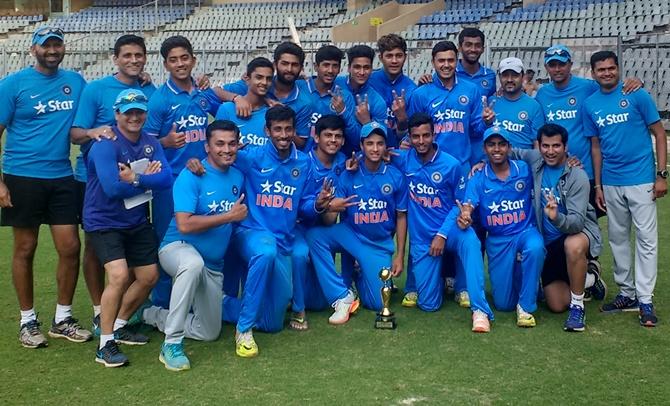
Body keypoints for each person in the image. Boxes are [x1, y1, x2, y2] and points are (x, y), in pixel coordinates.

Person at [0, 26, 90, 349]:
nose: (52, 50)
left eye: (57, 45)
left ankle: (62, 318)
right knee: (25, 248)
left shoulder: (76, 83)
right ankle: (27, 321)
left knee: (70, 247)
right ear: (33, 49)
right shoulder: (13, 85)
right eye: (46, 45)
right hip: (22, 176)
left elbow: (98, 107)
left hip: (61, 175)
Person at [221, 105, 330, 357]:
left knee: (272, 324)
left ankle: (222, 305)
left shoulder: (303, 163)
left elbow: (303, 206)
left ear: (294, 130)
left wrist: (318, 204)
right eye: (277, 129)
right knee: (265, 251)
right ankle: (244, 329)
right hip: (251, 233)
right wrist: (195, 163)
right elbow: (220, 156)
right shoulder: (251, 157)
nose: (283, 135)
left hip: (284, 241)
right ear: (266, 130)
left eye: (288, 129)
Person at [141, 120, 246, 371]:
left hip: (211, 265)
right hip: (176, 248)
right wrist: (228, 217)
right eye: (219, 144)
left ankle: (149, 314)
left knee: (208, 332)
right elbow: (185, 224)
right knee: (192, 263)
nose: (226, 149)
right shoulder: (192, 174)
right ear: (207, 146)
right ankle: (171, 344)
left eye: (232, 143)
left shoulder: (238, 175)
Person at [70, 34, 156, 334]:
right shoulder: (96, 89)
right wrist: (94, 132)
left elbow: (152, 133)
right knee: (97, 249)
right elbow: (75, 132)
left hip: (134, 184)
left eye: (138, 55)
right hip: (92, 180)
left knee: (130, 246)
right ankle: (99, 311)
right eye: (127, 55)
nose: (133, 60)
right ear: (115, 58)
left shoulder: (147, 88)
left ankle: (119, 316)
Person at [84, 89, 172, 367]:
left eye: (139, 111)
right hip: (104, 220)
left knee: (148, 276)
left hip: (135, 220)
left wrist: (135, 178)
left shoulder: (150, 142)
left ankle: (118, 325)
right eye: (128, 111)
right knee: (120, 276)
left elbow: (167, 178)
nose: (134, 117)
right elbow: (111, 187)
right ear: (117, 113)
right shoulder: (104, 144)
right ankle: (105, 343)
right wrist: (145, 178)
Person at [406, 40, 493, 307]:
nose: (445, 65)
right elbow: (414, 129)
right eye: (440, 60)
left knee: (464, 225)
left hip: (460, 168)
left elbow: (476, 131)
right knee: (421, 223)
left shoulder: (472, 89)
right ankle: (414, 283)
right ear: (432, 62)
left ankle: (462, 286)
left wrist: (486, 120)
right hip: (427, 168)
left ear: (456, 61)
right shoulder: (421, 93)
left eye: (450, 60)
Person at [584, 50, 667, 327]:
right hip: (611, 180)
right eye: (601, 69)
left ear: (618, 69)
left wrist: (661, 175)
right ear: (593, 72)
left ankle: (645, 298)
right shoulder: (590, 103)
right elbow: (596, 147)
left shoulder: (637, 94)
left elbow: (658, 134)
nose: (606, 73)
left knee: (645, 239)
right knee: (618, 238)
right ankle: (626, 292)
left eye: (611, 68)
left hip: (642, 178)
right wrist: (597, 184)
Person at [143, 35, 223, 309]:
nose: (180, 64)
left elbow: (223, 107)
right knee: (170, 241)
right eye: (173, 60)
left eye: (184, 58)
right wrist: (164, 142)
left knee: (199, 238)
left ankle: (194, 301)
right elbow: (144, 145)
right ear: (165, 64)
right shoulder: (159, 99)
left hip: (202, 179)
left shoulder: (202, 93)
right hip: (170, 183)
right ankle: (163, 304)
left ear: (193, 59)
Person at [392, 113, 493, 328]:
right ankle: (438, 279)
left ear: (434, 134)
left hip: (451, 228)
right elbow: (376, 154)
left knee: (471, 241)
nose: (421, 141)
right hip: (422, 237)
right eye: (416, 136)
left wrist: (442, 234)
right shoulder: (403, 159)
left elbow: (459, 203)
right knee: (428, 304)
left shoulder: (451, 164)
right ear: (409, 137)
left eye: (426, 135)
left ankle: (480, 311)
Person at [306, 121, 407, 324]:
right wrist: (331, 206)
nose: (375, 148)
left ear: (386, 146)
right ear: (361, 146)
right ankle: (341, 296)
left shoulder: (395, 176)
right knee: (314, 235)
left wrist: (399, 255)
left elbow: (401, 216)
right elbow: (328, 221)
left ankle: (358, 277)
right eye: (370, 143)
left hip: (378, 244)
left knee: (377, 304)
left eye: (380, 143)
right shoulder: (348, 174)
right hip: (351, 235)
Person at [510, 123, 607, 332]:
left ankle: (578, 307)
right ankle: (590, 278)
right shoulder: (536, 159)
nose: (550, 151)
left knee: (573, 245)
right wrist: (483, 163)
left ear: (565, 147)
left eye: (556, 146)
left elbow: (577, 223)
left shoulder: (577, 176)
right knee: (556, 304)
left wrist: (555, 218)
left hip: (575, 234)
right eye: (546, 146)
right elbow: (508, 152)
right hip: (549, 242)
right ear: (540, 146)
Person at [535, 44, 642, 218]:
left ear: (570, 64)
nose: (557, 69)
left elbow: (613, 87)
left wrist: (638, 82)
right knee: (560, 222)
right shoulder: (542, 94)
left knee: (589, 223)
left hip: (586, 170)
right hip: (557, 171)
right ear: (546, 67)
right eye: (552, 65)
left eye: (561, 64)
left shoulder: (587, 87)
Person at [460, 126, 545, 328]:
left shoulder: (524, 169)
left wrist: (573, 160)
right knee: (503, 304)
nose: (496, 149)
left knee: (535, 247)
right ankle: (524, 278)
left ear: (509, 147)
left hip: (525, 231)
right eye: (491, 145)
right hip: (498, 239)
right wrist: (465, 214)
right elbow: (468, 205)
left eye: (501, 144)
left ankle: (525, 306)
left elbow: (550, 157)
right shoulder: (478, 177)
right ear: (484, 148)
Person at [289, 115, 349, 331]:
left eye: (338, 136)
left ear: (343, 140)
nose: (333, 140)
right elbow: (297, 209)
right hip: (300, 227)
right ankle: (296, 304)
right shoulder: (303, 163)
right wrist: (322, 205)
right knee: (300, 254)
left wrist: (329, 208)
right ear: (316, 137)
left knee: (318, 303)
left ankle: (344, 286)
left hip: (324, 229)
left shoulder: (343, 162)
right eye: (328, 135)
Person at [223, 42, 313, 149]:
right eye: (284, 63)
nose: (289, 69)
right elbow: (217, 91)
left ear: (301, 68)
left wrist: (284, 124)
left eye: (294, 65)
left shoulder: (305, 103)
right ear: (275, 65)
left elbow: (301, 143)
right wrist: (236, 98)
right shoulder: (260, 84)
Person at [303, 45, 359, 155]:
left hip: (334, 164)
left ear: (339, 69)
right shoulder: (300, 88)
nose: (330, 70)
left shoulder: (345, 97)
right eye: (326, 65)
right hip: (303, 162)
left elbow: (356, 139)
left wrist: (343, 112)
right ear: (315, 66)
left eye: (335, 66)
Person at [368, 33, 416, 148]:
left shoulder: (412, 89)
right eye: (389, 56)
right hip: (371, 151)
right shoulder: (368, 82)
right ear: (380, 58)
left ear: (405, 57)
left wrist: (402, 119)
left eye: (399, 55)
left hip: (398, 153)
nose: (394, 61)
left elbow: (411, 131)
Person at [216, 57, 273, 147]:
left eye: (268, 79)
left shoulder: (272, 114)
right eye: (259, 77)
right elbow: (217, 146)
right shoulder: (227, 109)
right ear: (247, 79)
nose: (264, 82)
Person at [491, 57, 545, 150]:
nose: (509, 80)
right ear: (499, 77)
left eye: (514, 75)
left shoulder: (534, 106)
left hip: (522, 162)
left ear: (523, 77)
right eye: (505, 75)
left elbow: (537, 142)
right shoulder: (490, 103)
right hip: (494, 162)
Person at [334, 44, 387, 132]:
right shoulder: (335, 84)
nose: (362, 72)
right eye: (357, 67)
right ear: (349, 68)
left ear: (371, 69)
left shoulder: (377, 101)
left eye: (366, 67)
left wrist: (367, 122)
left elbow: (379, 137)